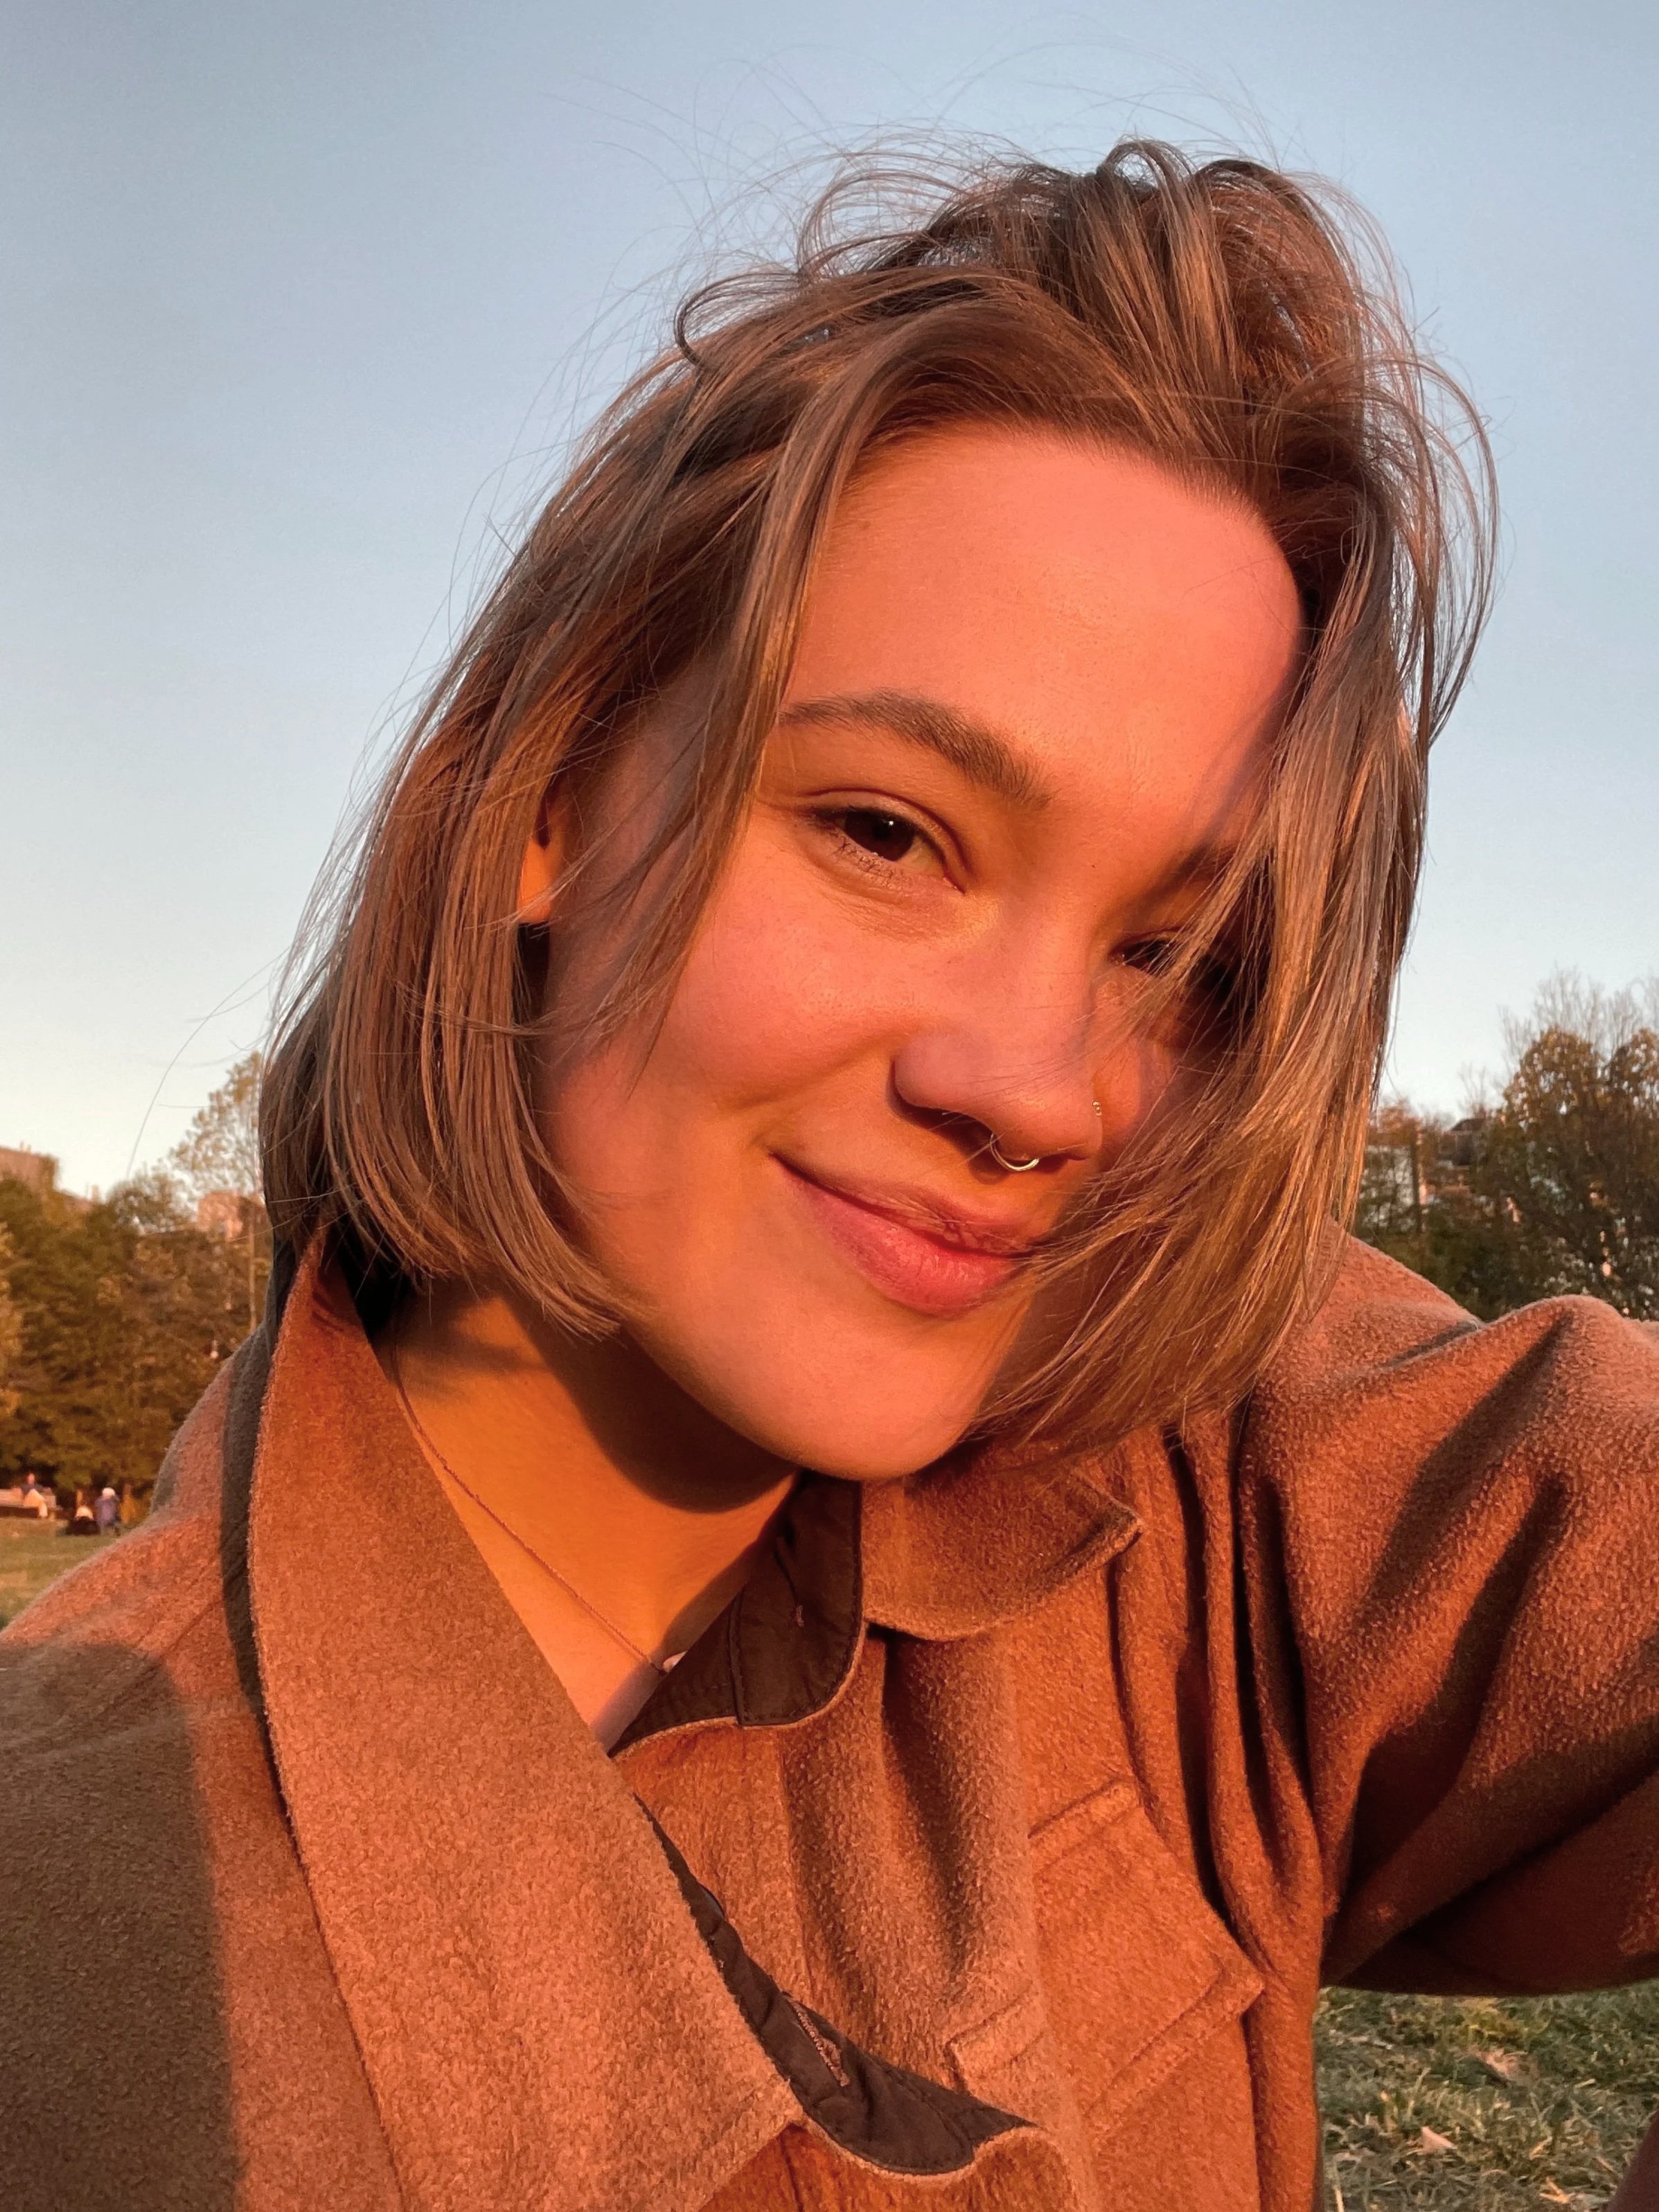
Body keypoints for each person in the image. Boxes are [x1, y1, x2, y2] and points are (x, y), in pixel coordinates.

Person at [1, 142, 1656, 2212]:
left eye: (1171, 955)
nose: (1038, 1090)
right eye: (888, 832)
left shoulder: (1203, 1464)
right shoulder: (81, 1971)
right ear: (551, 794)